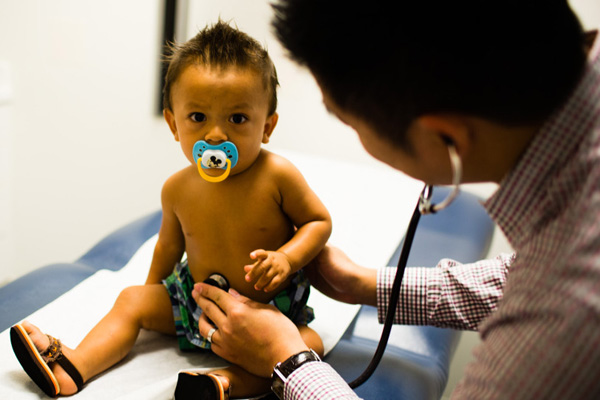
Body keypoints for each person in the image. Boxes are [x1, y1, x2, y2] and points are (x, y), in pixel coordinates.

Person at [192, 1, 600, 399]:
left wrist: (289, 360)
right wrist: (369, 286)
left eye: (348, 122)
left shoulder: (570, 302)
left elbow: (552, 289)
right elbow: (525, 274)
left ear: (447, 140)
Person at [10, 21, 331, 399]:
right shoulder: (177, 188)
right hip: (195, 301)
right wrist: (149, 300)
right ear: (173, 123)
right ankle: (74, 367)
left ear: (267, 126)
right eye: (198, 118)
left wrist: (287, 258)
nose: (215, 135)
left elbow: (318, 221)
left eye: (237, 119)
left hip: (266, 317)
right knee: (131, 300)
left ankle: (225, 382)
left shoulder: (277, 175)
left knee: (309, 345)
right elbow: (167, 247)